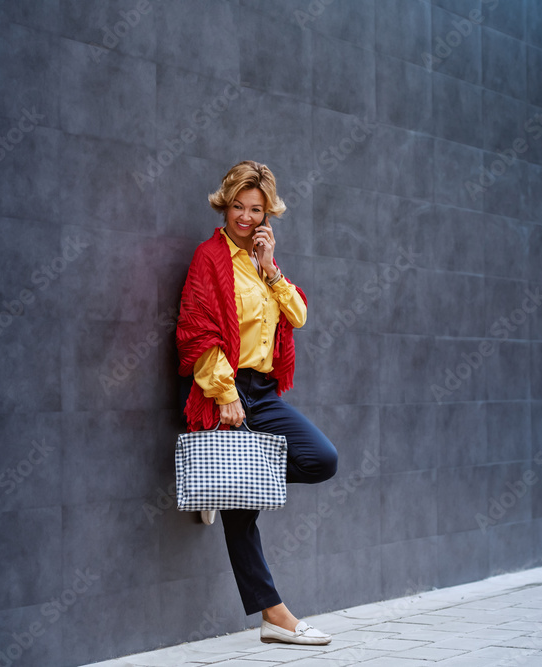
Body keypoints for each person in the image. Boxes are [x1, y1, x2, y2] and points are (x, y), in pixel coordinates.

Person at [176, 160, 339, 646]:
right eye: (239, 207)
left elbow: (300, 315)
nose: (246, 218)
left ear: (268, 214)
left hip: (264, 393)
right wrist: (224, 394)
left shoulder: (261, 263)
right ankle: (275, 616)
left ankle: (222, 485)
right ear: (225, 205)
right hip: (227, 390)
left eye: (256, 210)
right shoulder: (210, 258)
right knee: (242, 516)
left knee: (321, 459)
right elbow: (197, 331)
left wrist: (270, 270)